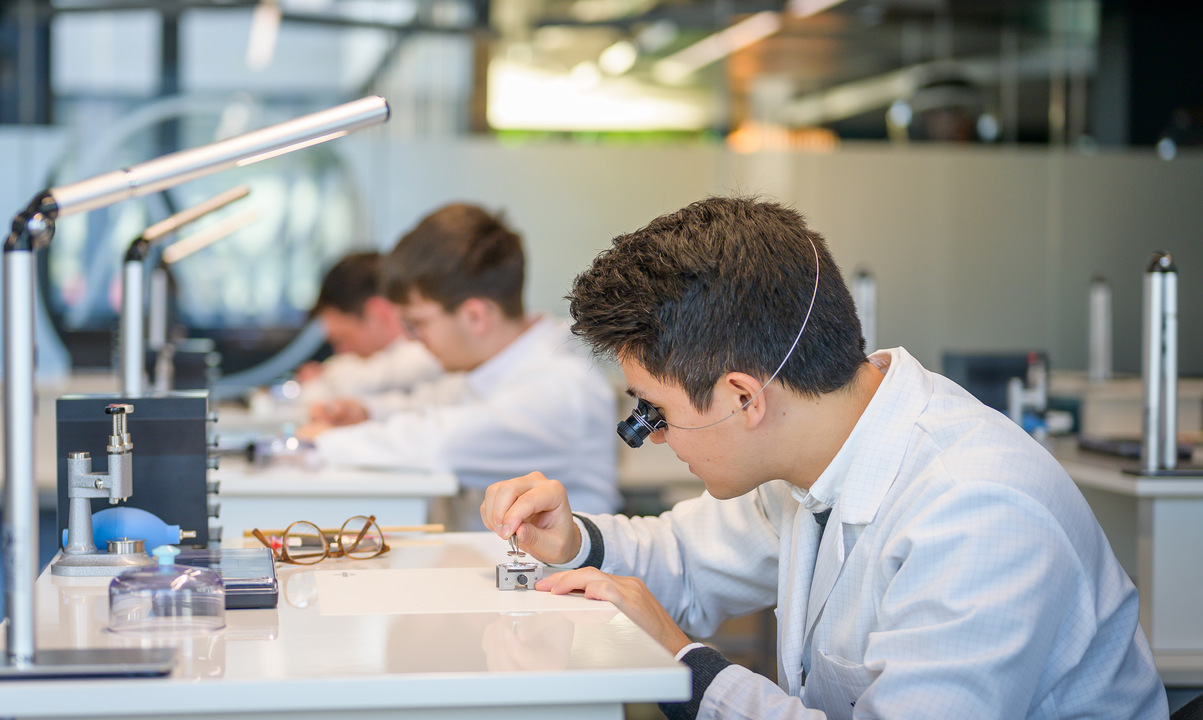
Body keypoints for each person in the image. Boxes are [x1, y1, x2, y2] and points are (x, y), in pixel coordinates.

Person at [480, 197, 1167, 719]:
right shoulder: (813, 453)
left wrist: (685, 668)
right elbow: (686, 562)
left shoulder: (978, 512)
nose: (653, 437)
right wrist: (571, 542)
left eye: (655, 412)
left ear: (744, 396)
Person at [303, 204, 621, 530]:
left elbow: (443, 443)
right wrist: (367, 413)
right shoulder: (498, 367)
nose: (412, 341)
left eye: (418, 324)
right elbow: (432, 405)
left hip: (558, 578)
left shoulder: (558, 386)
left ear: (475, 316)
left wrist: (317, 444)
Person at [297, 252, 442, 419]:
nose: (342, 351)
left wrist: (319, 380)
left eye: (344, 338)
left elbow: (358, 384)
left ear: (378, 312)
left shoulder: (423, 355)